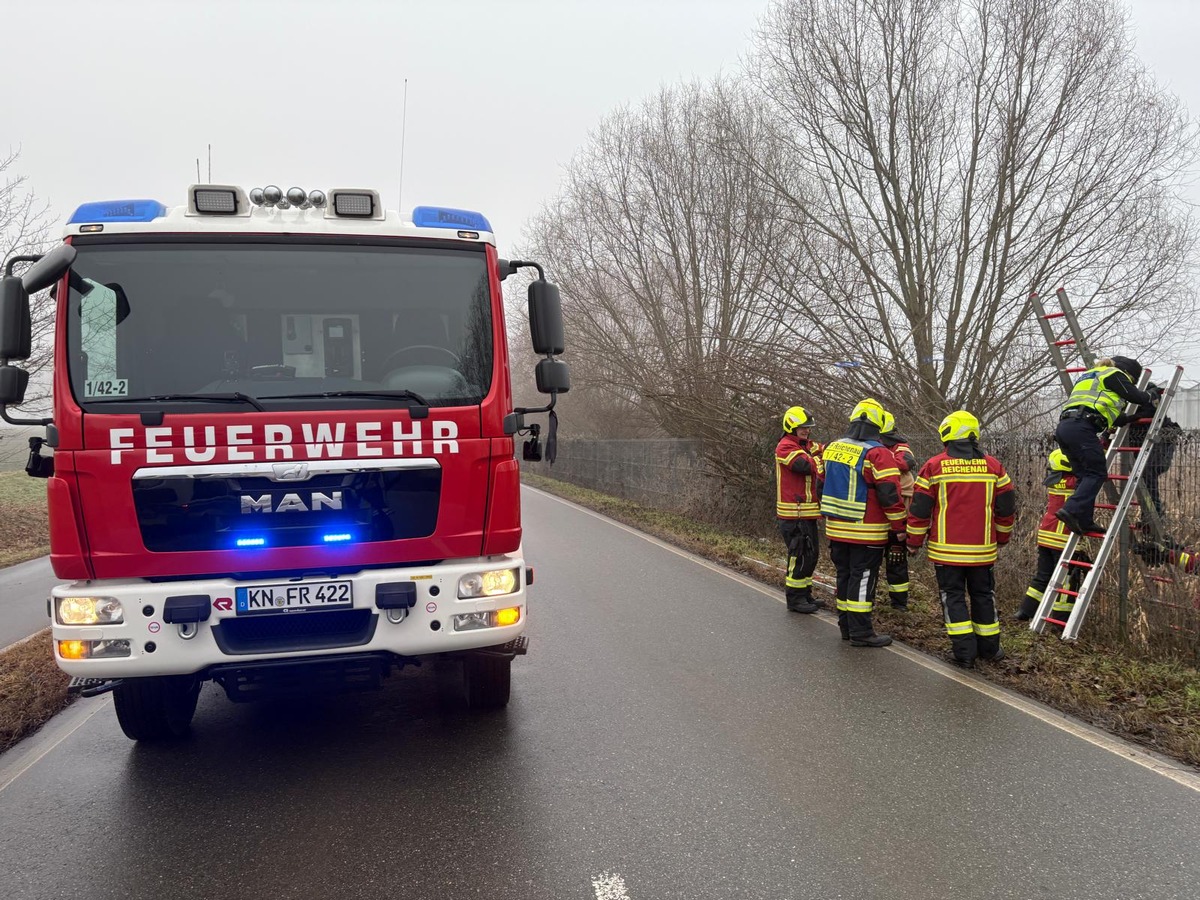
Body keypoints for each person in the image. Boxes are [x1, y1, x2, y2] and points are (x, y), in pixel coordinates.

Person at [907, 411, 1015, 667]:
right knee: (983, 595)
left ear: (946, 434)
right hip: (982, 550)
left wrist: (913, 542)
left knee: (953, 597)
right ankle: (990, 649)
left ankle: (964, 652)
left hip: (946, 552)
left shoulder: (933, 466)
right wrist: (1002, 537)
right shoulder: (994, 466)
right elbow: (1007, 507)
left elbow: (920, 509)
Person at [819, 399, 907, 647]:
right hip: (867, 531)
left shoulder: (832, 447)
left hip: (836, 529)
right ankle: (861, 632)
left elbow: (819, 485)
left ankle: (846, 627)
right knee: (863, 578)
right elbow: (890, 495)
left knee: (844, 576)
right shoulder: (879, 453)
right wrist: (900, 527)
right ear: (878, 426)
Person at [1054, 356, 1153, 536]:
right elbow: (1136, 397)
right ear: (1128, 374)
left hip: (1066, 427)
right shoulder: (1114, 374)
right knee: (1097, 473)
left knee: (1084, 475)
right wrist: (1152, 394)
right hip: (1082, 427)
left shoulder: (1090, 376)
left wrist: (1132, 418)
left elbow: (1113, 416)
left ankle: (1083, 521)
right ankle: (1071, 509)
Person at [1016, 449, 1088, 624]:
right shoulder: (1074, 482)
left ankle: (1026, 610)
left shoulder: (1053, 481)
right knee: (1067, 580)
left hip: (1046, 536)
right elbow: (1092, 478)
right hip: (1063, 539)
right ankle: (1060, 620)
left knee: (1043, 576)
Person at [774, 406, 825, 614]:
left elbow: (822, 449)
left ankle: (805, 594)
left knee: (811, 555)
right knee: (799, 555)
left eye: (808, 427)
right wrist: (820, 459)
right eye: (803, 427)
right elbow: (804, 466)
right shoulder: (785, 447)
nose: (807, 430)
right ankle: (795, 599)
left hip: (807, 513)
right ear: (791, 427)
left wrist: (821, 453)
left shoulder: (806, 446)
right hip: (793, 514)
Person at [878, 413, 919, 610]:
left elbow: (906, 462)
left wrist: (880, 461)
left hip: (898, 510)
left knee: (897, 559)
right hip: (876, 515)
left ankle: (899, 603)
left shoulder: (900, 447)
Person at [1126, 382, 1183, 521]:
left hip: (1161, 438)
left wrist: (1128, 418)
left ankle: (1154, 513)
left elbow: (1151, 411)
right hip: (1140, 439)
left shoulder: (1150, 391)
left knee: (1148, 471)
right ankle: (1149, 513)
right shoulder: (1123, 394)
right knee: (1142, 476)